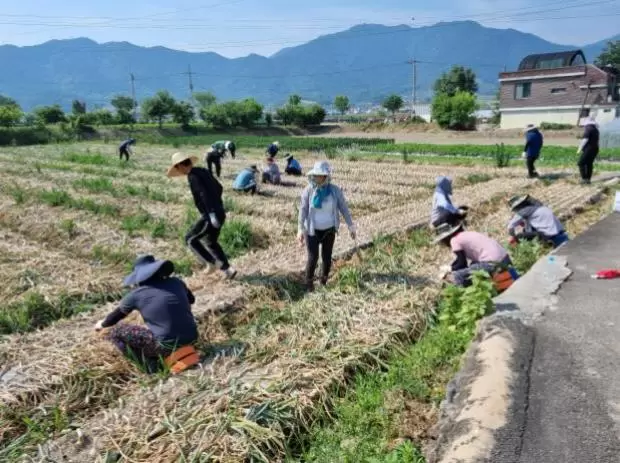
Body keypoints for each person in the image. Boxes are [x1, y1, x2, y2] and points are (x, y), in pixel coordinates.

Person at [94, 255, 198, 370]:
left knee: (116, 332)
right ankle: (177, 353)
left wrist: (101, 324)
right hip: (192, 337)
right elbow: (191, 300)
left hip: (167, 345)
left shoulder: (135, 295)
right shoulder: (177, 282)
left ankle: (150, 366)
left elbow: (113, 318)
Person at [167, 152, 237, 279]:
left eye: (177, 168)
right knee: (211, 242)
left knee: (190, 239)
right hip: (220, 212)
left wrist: (211, 212)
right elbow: (219, 187)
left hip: (211, 215)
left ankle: (211, 263)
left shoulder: (192, 176)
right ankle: (228, 270)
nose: (179, 171)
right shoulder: (203, 171)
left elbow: (203, 194)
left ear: (180, 166)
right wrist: (217, 205)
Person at [298, 161, 356, 291]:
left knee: (327, 258)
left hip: (329, 230)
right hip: (312, 230)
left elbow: (344, 208)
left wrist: (351, 226)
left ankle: (323, 282)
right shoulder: (308, 190)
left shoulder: (334, 191)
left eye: (320, 175)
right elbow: (303, 210)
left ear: (326, 176)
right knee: (313, 258)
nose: (317, 177)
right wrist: (300, 229)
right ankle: (308, 284)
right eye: (315, 175)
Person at [434, 222, 517, 287]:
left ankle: (465, 298)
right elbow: (460, 259)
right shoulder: (466, 234)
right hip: (505, 257)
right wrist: (452, 266)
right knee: (473, 265)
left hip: (492, 263)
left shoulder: (454, 240)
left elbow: (462, 263)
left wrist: (450, 269)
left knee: (457, 275)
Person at [577, 117, 600, 184]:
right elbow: (596, 140)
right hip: (595, 149)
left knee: (580, 163)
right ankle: (588, 179)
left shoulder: (588, 129)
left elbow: (585, 140)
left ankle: (584, 179)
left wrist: (579, 149)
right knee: (589, 163)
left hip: (589, 149)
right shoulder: (596, 129)